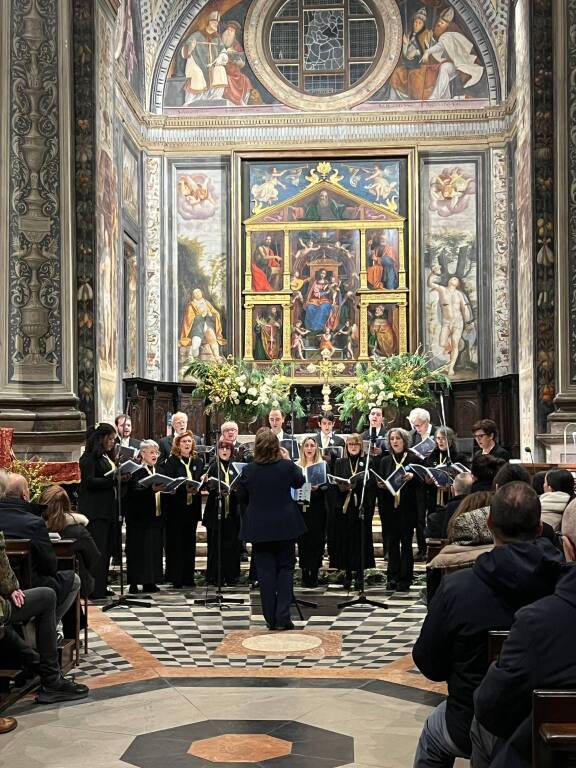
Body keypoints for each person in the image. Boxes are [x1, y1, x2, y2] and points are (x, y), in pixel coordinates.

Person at [412, 482, 564, 768]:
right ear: (540, 526)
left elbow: (429, 663)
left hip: (472, 718)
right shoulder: (563, 584)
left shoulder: (457, 587)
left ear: (490, 524)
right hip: (553, 722)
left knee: (432, 736)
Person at [472, 565, 576, 768]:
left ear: (570, 549)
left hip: (544, 755)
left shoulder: (539, 622)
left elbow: (489, 705)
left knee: (480, 725)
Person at [0, 530, 89, 707]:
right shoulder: (33, 523)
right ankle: (51, 680)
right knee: (48, 596)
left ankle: (37, 665)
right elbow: (50, 564)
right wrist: (10, 587)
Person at [235, 428, 306, 630]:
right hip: (285, 526)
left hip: (259, 528)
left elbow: (241, 496)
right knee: (285, 570)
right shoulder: (286, 466)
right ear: (277, 446)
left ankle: (270, 618)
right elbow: (300, 481)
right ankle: (283, 616)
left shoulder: (248, 470)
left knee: (265, 574)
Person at [0, 474, 80, 623]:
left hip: (3, 589)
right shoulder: (34, 523)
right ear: (25, 495)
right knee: (73, 579)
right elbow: (50, 566)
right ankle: (47, 626)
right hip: (30, 586)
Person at [78, 423, 120, 599]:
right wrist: (113, 479)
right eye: (110, 439)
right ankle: (95, 589)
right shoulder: (89, 458)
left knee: (107, 549)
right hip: (96, 512)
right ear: (100, 438)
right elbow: (89, 482)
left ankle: (102, 586)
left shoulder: (105, 457)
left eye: (113, 439)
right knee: (98, 551)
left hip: (108, 510)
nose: (112, 442)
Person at [378, 428, 423, 591]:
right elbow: (382, 479)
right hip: (390, 507)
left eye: (398, 438)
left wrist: (413, 477)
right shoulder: (385, 461)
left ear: (404, 441)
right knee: (392, 544)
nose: (395, 441)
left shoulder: (413, 458)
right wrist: (381, 485)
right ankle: (392, 577)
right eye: (392, 439)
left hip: (407, 507)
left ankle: (405, 579)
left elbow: (422, 480)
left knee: (406, 543)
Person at [40, 485, 100, 600]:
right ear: (67, 505)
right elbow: (94, 557)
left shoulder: (35, 528)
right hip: (76, 583)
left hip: (43, 584)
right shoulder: (79, 531)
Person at [330, 434, 374, 589]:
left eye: (356, 444)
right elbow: (334, 482)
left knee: (360, 540)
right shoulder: (340, 462)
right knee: (346, 540)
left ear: (361, 446)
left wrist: (359, 485)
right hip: (345, 506)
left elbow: (371, 483)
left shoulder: (367, 461)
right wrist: (342, 486)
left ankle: (360, 575)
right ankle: (348, 574)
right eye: (350, 444)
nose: (353, 447)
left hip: (360, 505)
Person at [162, 431, 204, 588]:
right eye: (184, 441)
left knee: (189, 542)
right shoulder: (171, 462)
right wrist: (182, 489)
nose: (187, 444)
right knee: (176, 543)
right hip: (176, 508)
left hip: (191, 508)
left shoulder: (197, 461)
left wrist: (200, 484)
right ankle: (176, 577)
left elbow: (199, 479)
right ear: (178, 445)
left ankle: (188, 577)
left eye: (189, 441)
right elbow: (169, 483)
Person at [123, 440, 164, 594]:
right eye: (151, 452)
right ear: (142, 454)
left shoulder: (159, 470)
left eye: (156, 452)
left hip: (156, 516)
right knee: (137, 550)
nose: (155, 455)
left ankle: (150, 581)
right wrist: (150, 490)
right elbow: (132, 493)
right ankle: (134, 581)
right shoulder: (136, 472)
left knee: (153, 549)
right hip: (138, 519)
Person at [203, 439, 242, 586]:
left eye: (227, 449)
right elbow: (207, 485)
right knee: (215, 545)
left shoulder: (235, 467)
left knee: (232, 545)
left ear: (232, 451)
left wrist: (234, 490)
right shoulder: (213, 467)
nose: (224, 451)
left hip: (232, 511)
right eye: (222, 449)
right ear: (217, 451)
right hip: (215, 511)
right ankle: (215, 576)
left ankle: (232, 576)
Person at [428, 267, 474, 376]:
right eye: (451, 278)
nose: (452, 280)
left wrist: (468, 322)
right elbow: (430, 283)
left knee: (455, 344)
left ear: (458, 283)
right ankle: (451, 348)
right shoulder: (442, 290)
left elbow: (464, 309)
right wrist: (433, 273)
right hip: (446, 322)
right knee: (442, 342)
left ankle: (451, 367)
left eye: (455, 279)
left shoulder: (459, 294)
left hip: (458, 322)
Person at [295, 437, 328, 588]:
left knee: (317, 541)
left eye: (312, 446)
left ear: (316, 448)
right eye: (306, 446)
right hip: (301, 507)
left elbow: (328, 486)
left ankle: (314, 573)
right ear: (302, 449)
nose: (309, 448)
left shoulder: (323, 465)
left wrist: (319, 488)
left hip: (317, 507)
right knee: (303, 541)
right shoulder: (296, 466)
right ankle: (304, 573)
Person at [181, 10, 227, 105]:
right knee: (197, 74)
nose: (216, 25)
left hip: (212, 66)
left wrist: (221, 57)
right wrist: (190, 48)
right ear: (209, 22)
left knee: (220, 70)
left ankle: (215, 97)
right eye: (214, 22)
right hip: (197, 64)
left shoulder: (217, 38)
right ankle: (193, 101)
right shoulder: (196, 35)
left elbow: (223, 51)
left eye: (217, 23)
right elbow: (184, 52)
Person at [361, 406, 388, 560]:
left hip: (383, 480)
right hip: (368, 481)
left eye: (378, 414)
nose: (375, 417)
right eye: (372, 414)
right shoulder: (362, 435)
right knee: (367, 516)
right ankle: (366, 553)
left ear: (382, 418)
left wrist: (382, 451)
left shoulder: (388, 435)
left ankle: (387, 551)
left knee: (386, 517)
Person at [179, 287, 226, 360]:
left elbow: (214, 313)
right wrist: (202, 315)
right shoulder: (191, 305)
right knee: (195, 343)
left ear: (201, 293)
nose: (197, 294)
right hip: (197, 327)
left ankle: (217, 357)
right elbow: (189, 319)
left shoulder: (206, 303)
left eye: (198, 292)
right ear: (193, 295)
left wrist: (212, 314)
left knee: (213, 339)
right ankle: (193, 359)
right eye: (195, 293)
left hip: (207, 325)